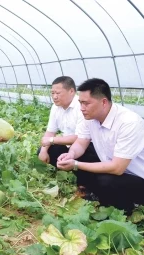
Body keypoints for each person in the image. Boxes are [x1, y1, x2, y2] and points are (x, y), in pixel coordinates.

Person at [57, 78, 144, 214]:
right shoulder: (90, 117)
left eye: (86, 103)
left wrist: (75, 164)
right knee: (84, 155)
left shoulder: (129, 122)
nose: (82, 108)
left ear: (103, 102)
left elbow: (117, 168)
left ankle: (125, 210)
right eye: (80, 103)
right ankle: (98, 195)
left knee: (105, 180)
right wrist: (71, 155)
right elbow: (81, 142)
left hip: (138, 177)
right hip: (116, 168)